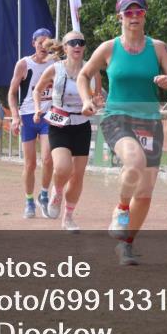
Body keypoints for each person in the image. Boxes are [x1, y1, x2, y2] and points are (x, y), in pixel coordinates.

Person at [78, 0, 167, 266]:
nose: (134, 17)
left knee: (145, 194)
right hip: (117, 117)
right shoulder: (109, 48)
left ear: (145, 15)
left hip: (150, 121)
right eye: (128, 13)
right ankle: (121, 209)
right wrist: (87, 100)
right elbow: (84, 75)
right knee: (134, 161)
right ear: (120, 17)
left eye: (139, 12)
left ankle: (125, 245)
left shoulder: (158, 48)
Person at [33, 31, 103, 231]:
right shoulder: (55, 69)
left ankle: (68, 218)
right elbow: (37, 90)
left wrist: (96, 104)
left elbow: (96, 99)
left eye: (81, 42)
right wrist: (37, 108)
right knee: (63, 168)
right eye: (72, 43)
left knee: (78, 175)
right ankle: (57, 192)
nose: (77, 46)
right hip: (59, 122)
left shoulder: (93, 71)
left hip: (82, 124)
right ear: (65, 48)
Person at [8, 28, 56, 219]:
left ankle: (43, 194)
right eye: (40, 42)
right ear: (33, 43)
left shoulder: (56, 63)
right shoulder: (24, 64)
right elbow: (12, 93)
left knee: (48, 159)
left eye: (47, 42)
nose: (43, 46)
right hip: (28, 116)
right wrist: (15, 117)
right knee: (30, 164)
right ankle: (29, 201)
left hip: (48, 115)